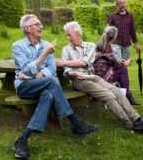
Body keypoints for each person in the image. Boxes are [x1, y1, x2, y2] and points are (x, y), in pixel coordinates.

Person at [12, 14, 98, 159]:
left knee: (49, 94)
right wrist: (44, 55)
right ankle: (75, 122)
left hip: (41, 85)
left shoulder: (47, 44)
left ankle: (23, 139)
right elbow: (25, 70)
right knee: (52, 81)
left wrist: (33, 74)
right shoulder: (18, 46)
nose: (41, 26)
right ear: (27, 28)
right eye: (37, 24)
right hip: (25, 87)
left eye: (41, 24)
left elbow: (51, 68)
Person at [56, 21, 143, 132]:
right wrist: (75, 73)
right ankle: (130, 124)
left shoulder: (90, 45)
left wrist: (63, 62)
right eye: (67, 35)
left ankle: (137, 119)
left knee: (117, 91)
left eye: (69, 35)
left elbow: (84, 62)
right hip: (79, 80)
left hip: (93, 77)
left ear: (77, 34)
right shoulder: (65, 50)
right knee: (109, 95)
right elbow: (67, 72)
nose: (67, 38)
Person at [93, 26, 140, 105]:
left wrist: (119, 62)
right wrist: (125, 63)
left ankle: (123, 96)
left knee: (121, 73)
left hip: (97, 73)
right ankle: (127, 96)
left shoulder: (99, 43)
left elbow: (110, 61)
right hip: (102, 77)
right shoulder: (107, 47)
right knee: (123, 69)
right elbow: (116, 65)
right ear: (114, 37)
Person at [107, 0, 141, 105]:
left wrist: (136, 44)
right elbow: (108, 30)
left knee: (124, 68)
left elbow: (133, 31)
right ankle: (120, 94)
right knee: (118, 66)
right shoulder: (112, 16)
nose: (123, 5)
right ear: (117, 5)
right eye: (121, 3)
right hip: (116, 44)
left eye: (124, 2)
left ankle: (122, 92)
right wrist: (107, 42)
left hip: (127, 44)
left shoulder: (130, 16)